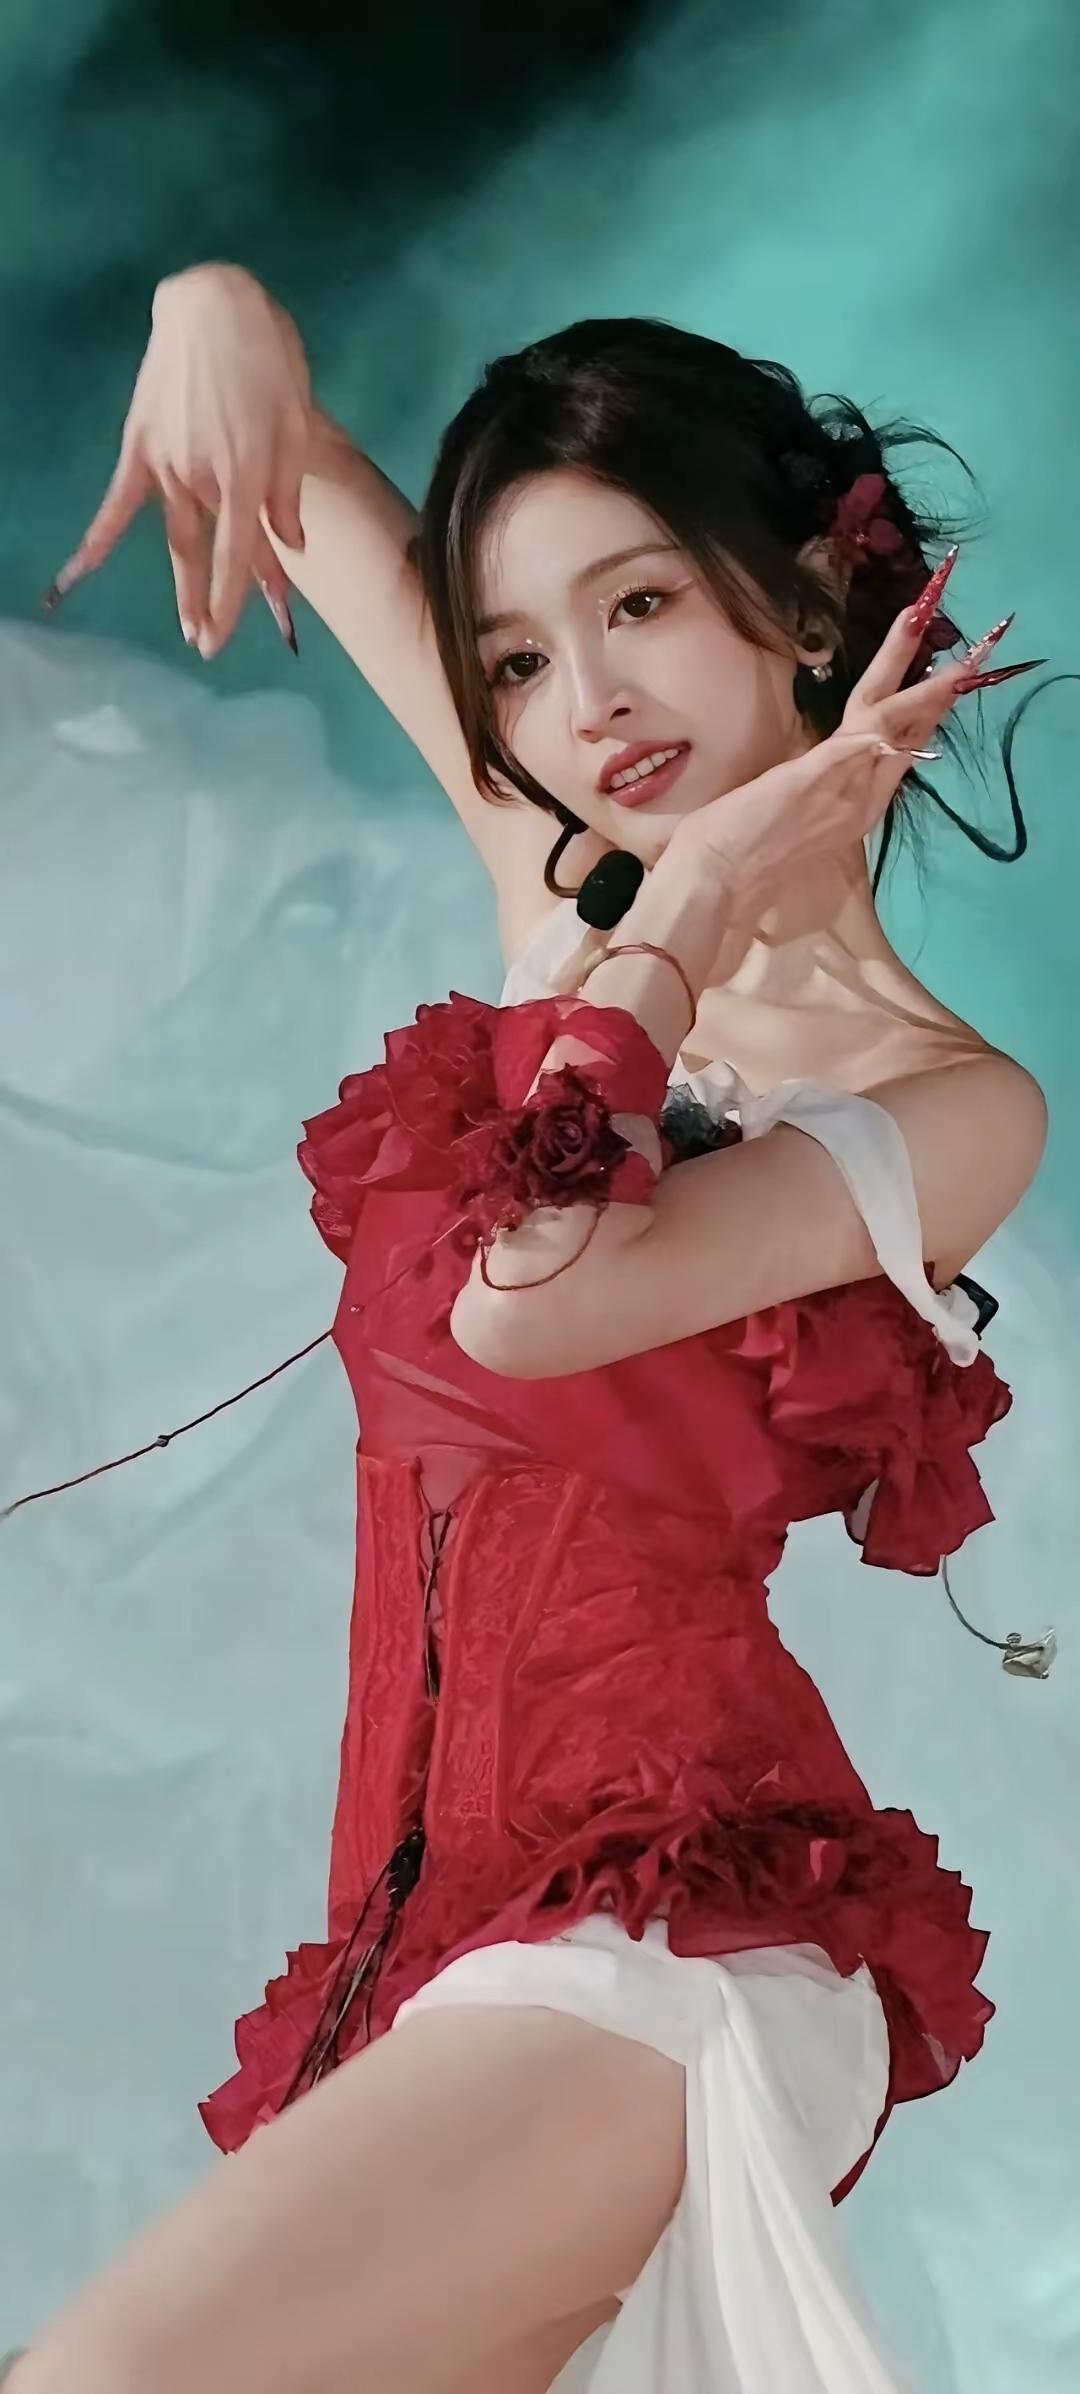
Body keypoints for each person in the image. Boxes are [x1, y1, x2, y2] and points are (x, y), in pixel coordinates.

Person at [7, 265, 1051, 2394]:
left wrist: (683, 918)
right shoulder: (559, 878)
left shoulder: (947, 1107)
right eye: (514, 658)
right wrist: (211, 298)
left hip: (679, 1925)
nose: (585, 700)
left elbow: (534, 1299)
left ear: (809, 604)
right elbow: (283, 452)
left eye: (640, 604)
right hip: (436, 1932)